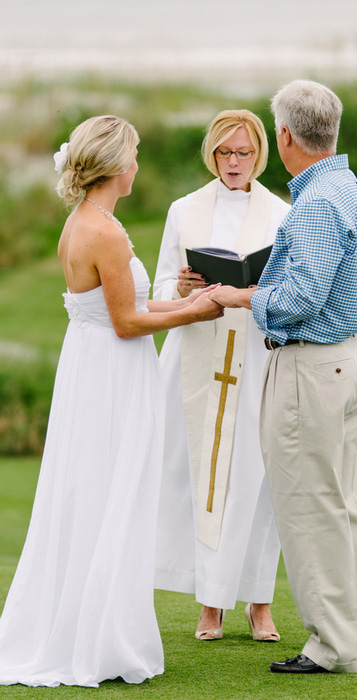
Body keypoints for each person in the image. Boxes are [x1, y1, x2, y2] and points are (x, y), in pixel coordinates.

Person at [0, 115, 222, 688]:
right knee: (114, 492)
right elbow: (126, 322)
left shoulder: (80, 223)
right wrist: (195, 313)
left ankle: (85, 623)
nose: (139, 165)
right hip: (113, 373)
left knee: (91, 491)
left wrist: (185, 303)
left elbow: (120, 310)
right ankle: (102, 641)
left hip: (89, 365)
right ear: (118, 166)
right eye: (136, 156)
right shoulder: (107, 232)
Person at [210, 80, 357, 673]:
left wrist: (246, 296)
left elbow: (299, 301)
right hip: (348, 356)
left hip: (312, 364)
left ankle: (332, 646)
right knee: (347, 506)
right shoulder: (348, 186)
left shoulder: (314, 202)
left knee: (310, 506)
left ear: (284, 136)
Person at [153, 109, 290, 641]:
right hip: (199, 354)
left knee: (257, 479)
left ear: (259, 154)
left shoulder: (280, 212)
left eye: (245, 153)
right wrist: (183, 288)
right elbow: (162, 284)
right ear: (212, 153)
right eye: (226, 153)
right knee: (201, 477)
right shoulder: (184, 209)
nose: (234, 163)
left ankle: (260, 601)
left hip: (253, 354)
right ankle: (209, 606)